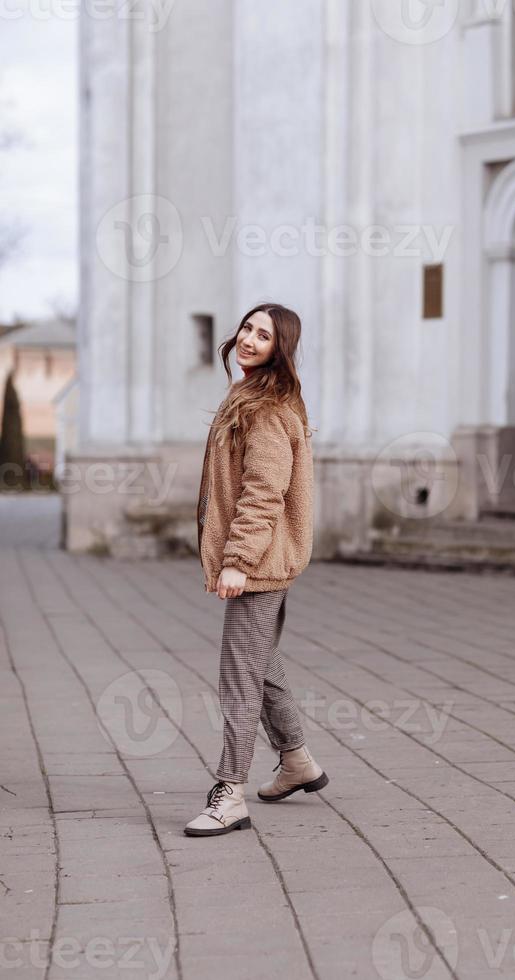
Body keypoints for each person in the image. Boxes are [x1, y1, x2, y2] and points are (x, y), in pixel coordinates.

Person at [184, 303, 329, 838]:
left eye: (263, 335)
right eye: (247, 327)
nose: (248, 339)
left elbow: (264, 492)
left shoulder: (267, 408)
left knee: (237, 675)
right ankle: (296, 763)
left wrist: (238, 561)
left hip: (260, 562)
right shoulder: (250, 394)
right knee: (262, 663)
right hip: (264, 559)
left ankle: (230, 793)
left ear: (279, 348)